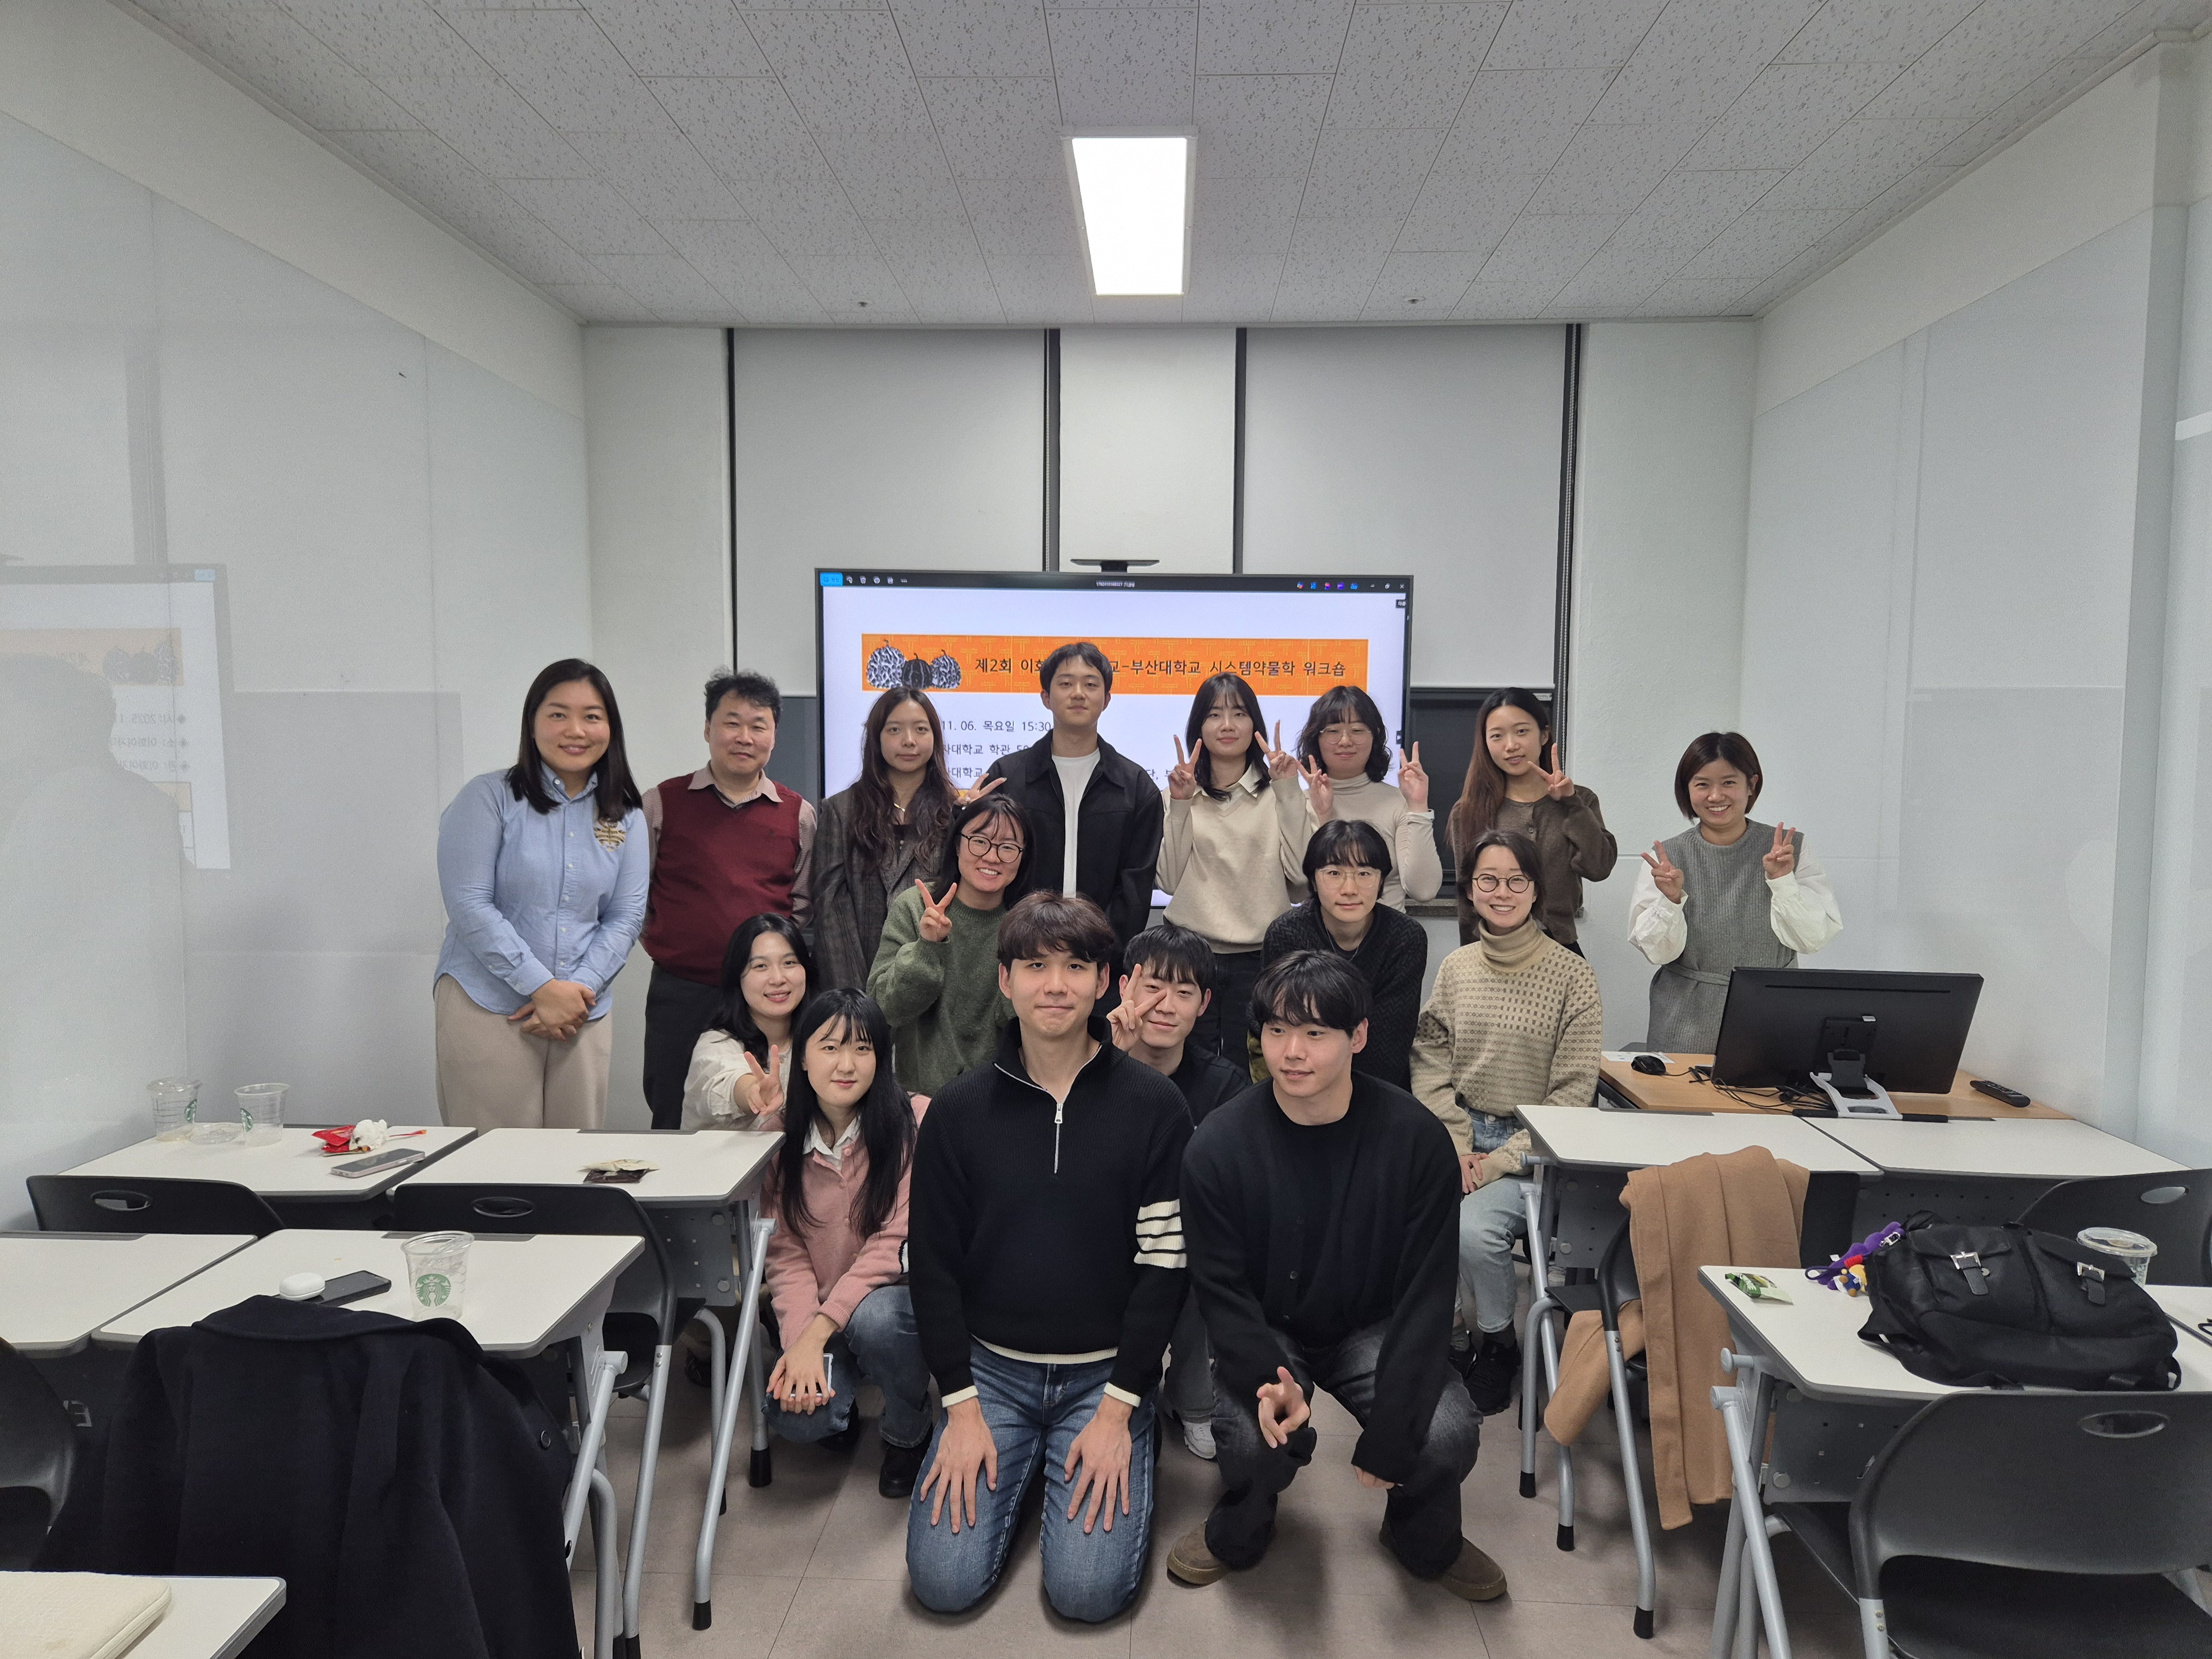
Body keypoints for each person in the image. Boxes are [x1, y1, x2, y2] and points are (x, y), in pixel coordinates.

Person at [1168, 952, 1503, 1601]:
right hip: (1265, 1326)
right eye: (1276, 1031)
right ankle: (1240, 1528)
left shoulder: (1415, 1139)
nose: (1292, 1052)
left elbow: (1427, 1293)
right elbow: (1220, 1290)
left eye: (1315, 1032)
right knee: (1251, 1437)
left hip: (1373, 1324)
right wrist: (1271, 1380)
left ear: (1358, 1036)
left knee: (1443, 1433)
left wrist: (1393, 1431)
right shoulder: (1219, 1143)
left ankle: (1420, 1535)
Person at [905, 892, 1192, 1623]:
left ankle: (1124, 1440)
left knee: (1086, 1595)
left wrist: (1120, 1406)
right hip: (991, 1376)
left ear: (1105, 982)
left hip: (1106, 1378)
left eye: (1075, 967)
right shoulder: (958, 1111)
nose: (1055, 985)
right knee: (942, 1583)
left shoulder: (1155, 1107)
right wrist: (960, 1405)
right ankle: (1026, 1454)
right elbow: (932, 1268)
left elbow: (1165, 1267)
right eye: (1034, 967)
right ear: (1005, 981)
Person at [1411, 829, 1601, 1415]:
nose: (1502, 892)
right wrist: (1454, 1143)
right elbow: (1430, 1057)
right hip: (1458, 1135)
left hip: (1535, 1149)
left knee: (1472, 1230)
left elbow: (1573, 1094)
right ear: (1470, 890)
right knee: (1407, 1210)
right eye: (1488, 880)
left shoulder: (1572, 975)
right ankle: (1449, 1339)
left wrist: (1496, 1161)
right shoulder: (1456, 968)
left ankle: (1499, 1344)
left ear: (1536, 889)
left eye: (1516, 880)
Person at [434, 660, 647, 1131]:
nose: (576, 730)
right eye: (558, 715)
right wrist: (541, 987)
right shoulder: (487, 797)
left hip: (582, 1013)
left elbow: (627, 915)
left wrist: (578, 991)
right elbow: (470, 904)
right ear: (532, 724)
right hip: (489, 1003)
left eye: (592, 716)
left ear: (611, 728)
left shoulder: (626, 814)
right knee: (495, 1160)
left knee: (575, 1159)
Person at [755, 988, 932, 1499]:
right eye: (830, 1047)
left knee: (877, 1320)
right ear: (802, 1059)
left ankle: (908, 1429)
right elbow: (784, 1253)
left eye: (862, 1047)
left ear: (881, 1056)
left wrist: (815, 1336)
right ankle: (843, 1400)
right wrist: (800, 1344)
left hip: (893, 1303)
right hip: (822, 1308)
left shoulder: (915, 1121)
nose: (847, 1064)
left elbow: (893, 1243)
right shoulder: (778, 1139)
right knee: (799, 1421)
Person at [639, 670, 815, 1130]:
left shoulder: (798, 814)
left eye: (758, 725)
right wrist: (671, 943)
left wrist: (770, 965)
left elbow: (801, 906)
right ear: (707, 729)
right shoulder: (661, 803)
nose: (744, 737)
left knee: (765, 1111)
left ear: (774, 735)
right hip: (683, 990)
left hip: (766, 997)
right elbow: (636, 897)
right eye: (731, 723)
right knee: (672, 1111)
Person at [1105, 924, 1251, 1461]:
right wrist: (1111, 1067)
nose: (1166, 1006)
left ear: (1204, 1004)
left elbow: (1227, 1190)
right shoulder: (1088, 1064)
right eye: (1153, 987)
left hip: (1184, 1236)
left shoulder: (1226, 1086)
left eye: (1184, 992)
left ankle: (1193, 1400)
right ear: (1125, 988)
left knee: (1196, 1256)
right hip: (1103, 1230)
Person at [1630, 731, 1842, 1053]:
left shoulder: (1789, 849)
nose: (1716, 796)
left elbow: (1812, 939)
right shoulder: (1666, 859)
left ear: (1751, 785)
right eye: (1702, 784)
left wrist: (1782, 881)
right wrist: (1671, 900)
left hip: (1772, 1015)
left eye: (1729, 782)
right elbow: (1656, 953)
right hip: (1686, 1020)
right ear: (1687, 790)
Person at [1158, 672, 1316, 1063]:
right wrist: (1181, 804)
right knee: (1187, 1065)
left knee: (1253, 1069)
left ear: (1254, 724)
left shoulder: (1282, 793)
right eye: (1214, 715)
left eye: (1239, 714)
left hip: (1262, 957)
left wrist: (1288, 791)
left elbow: (1302, 879)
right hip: (1189, 955)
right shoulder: (1176, 794)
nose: (1227, 725)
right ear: (1199, 728)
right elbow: (1169, 881)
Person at [978, 642, 1164, 956]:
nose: (1078, 693)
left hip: (1101, 958)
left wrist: (1100, 953)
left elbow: (1135, 888)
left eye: (1091, 685)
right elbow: (989, 865)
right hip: (1019, 952)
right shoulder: (1007, 776)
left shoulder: (1135, 786)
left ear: (1106, 700)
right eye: (1066, 684)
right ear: (1046, 698)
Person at [867, 794, 1031, 1097]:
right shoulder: (915, 906)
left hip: (999, 1096)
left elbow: (1022, 1027)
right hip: (918, 1097)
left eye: (1008, 847)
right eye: (979, 841)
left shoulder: (1026, 924)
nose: (992, 857)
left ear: (1023, 857)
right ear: (957, 845)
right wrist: (927, 947)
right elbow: (884, 1009)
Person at [1259, 820, 1428, 1091]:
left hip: (1378, 1087)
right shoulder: (1286, 934)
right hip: (1299, 1076)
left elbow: (1391, 1043)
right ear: (1313, 879)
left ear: (1381, 880)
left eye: (1364, 873)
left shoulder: (1405, 938)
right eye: (1334, 873)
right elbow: (1275, 1024)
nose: (1349, 889)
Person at [1447, 688, 1616, 953]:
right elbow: (1467, 898)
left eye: (1521, 731)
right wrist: (1470, 959)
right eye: (1497, 736)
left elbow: (1599, 868)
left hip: (1560, 947)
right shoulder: (1469, 810)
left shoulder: (1579, 799)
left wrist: (1570, 803)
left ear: (1544, 735)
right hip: (1493, 950)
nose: (1510, 745)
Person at [813, 687, 958, 993]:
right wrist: (856, 1000)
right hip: (855, 986)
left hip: (931, 984)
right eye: (895, 730)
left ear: (935, 738)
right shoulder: (840, 811)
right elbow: (831, 912)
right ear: (876, 739)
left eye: (921, 729)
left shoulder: (954, 814)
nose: (909, 740)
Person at [1295, 684, 1440, 911]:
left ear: (1376, 736)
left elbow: (1423, 891)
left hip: (1388, 931)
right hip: (1320, 933)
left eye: (1357, 730)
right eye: (1332, 731)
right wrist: (1322, 817)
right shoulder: (1297, 804)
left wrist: (1418, 806)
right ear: (1316, 738)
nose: (1345, 741)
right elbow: (1300, 889)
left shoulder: (1399, 802)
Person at [681, 914, 811, 1130]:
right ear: (737, 977)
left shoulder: (821, 1039)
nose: (778, 979)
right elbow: (725, 1082)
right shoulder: (715, 1044)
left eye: (789, 963)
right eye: (761, 966)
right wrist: (753, 1091)